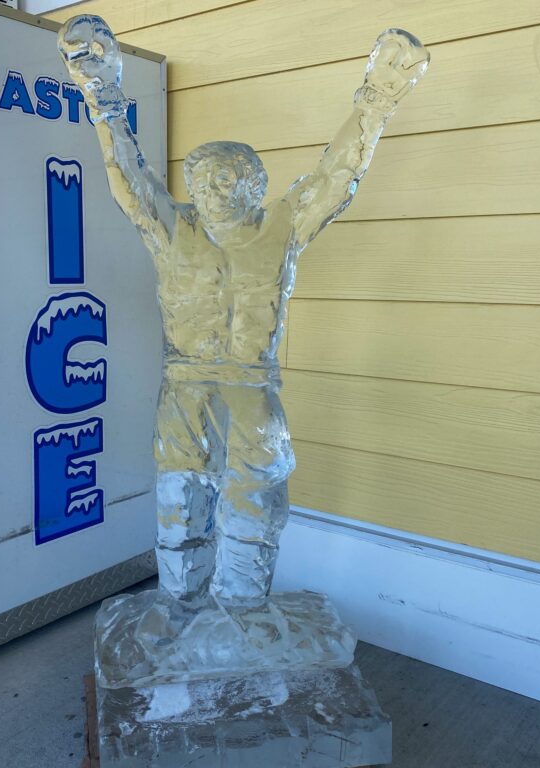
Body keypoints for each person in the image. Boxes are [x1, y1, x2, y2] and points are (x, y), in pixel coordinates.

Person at [58, 16, 429, 608]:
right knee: (181, 502)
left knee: (257, 499)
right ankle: (183, 610)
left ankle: (242, 609)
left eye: (228, 177)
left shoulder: (280, 229)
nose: (212, 189)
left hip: (253, 383)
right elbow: (127, 178)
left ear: (256, 185)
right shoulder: (174, 230)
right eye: (201, 178)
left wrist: (377, 100)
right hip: (186, 382)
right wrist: (102, 95)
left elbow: (336, 178)